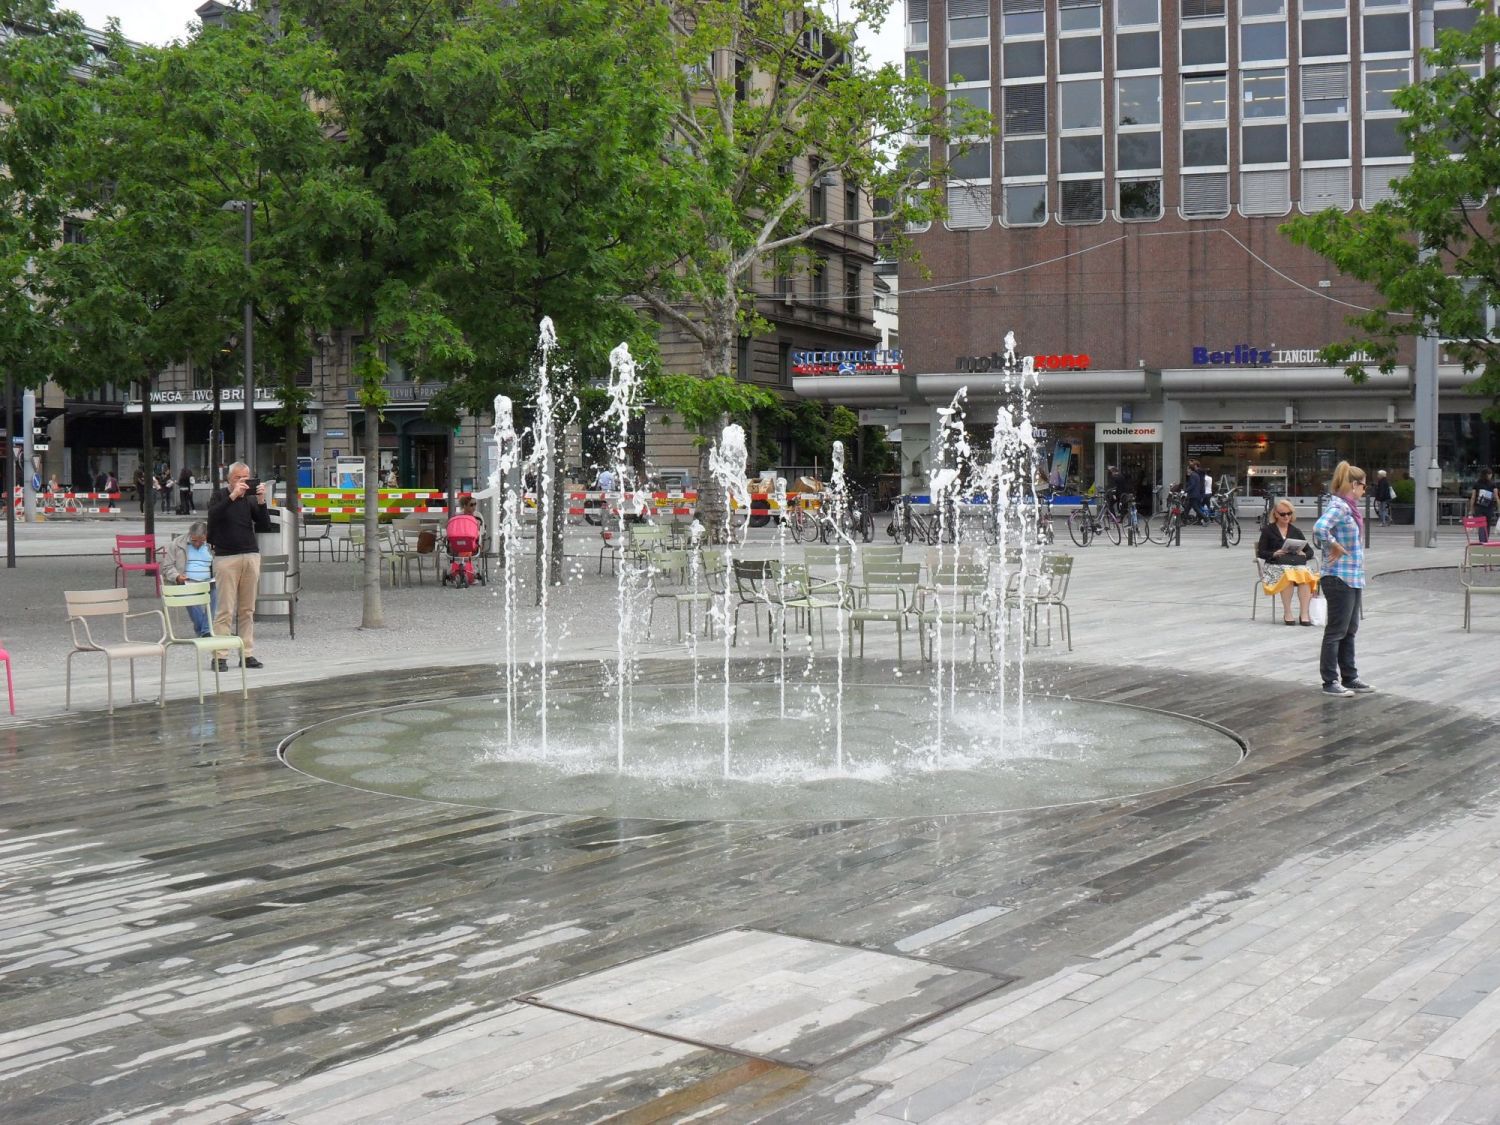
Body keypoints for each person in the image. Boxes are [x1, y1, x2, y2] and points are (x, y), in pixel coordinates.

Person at [1313, 461, 1372, 697]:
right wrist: (1334, 544)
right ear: (1354, 485)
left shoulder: (1348, 507)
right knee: (1337, 630)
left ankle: (1350, 677)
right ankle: (1330, 681)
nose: (1365, 491)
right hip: (1338, 576)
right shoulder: (1340, 507)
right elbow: (1319, 528)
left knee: (1350, 629)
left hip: (1352, 576)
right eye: (1364, 486)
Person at [206, 462, 272, 670]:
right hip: (226, 557)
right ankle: (220, 656)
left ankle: (247, 653)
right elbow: (213, 516)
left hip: (250, 555)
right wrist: (233, 495)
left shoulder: (250, 499)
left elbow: (264, 525)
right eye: (239, 478)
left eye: (247, 478)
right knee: (225, 609)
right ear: (230, 479)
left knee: (247, 609)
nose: (244, 482)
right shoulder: (220, 496)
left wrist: (261, 501)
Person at [1257, 501, 1318, 625]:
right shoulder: (1268, 530)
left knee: (1305, 576)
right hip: (1275, 566)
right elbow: (1261, 552)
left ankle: (1304, 613)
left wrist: (1304, 554)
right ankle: (1288, 612)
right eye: (1283, 514)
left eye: (1289, 514)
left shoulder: (1295, 531)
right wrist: (1274, 553)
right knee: (1288, 575)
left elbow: (1310, 550)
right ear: (1276, 515)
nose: (1286, 517)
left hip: (1296, 565)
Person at [160, 521, 216, 637]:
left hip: (208, 583)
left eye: (201, 541)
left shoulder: (213, 543)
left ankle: (204, 630)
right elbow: (167, 567)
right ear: (189, 535)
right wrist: (177, 576)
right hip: (184, 583)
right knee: (189, 595)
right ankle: (205, 631)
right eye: (194, 540)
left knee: (219, 591)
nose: (197, 544)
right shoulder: (177, 544)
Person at [1470, 469, 1497, 543]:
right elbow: (1496, 497)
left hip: (1479, 508)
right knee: (1487, 525)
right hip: (1489, 508)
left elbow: (1473, 497)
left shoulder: (1476, 484)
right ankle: (1486, 540)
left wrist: (1471, 509)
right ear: (1488, 474)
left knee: (1481, 525)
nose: (1491, 476)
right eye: (1491, 474)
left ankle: (1482, 541)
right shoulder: (1493, 484)